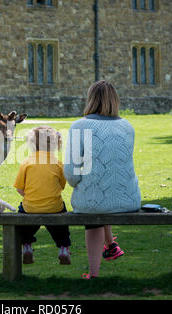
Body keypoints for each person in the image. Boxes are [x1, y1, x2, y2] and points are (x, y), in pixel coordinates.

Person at [64, 80, 141, 279]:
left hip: (94, 202)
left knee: (93, 202)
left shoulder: (79, 126)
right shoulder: (127, 126)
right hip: (129, 200)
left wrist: (80, 183)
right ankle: (111, 245)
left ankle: (94, 274)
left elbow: (71, 173)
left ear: (90, 99)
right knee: (100, 193)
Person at [14, 126, 71, 265]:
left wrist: (32, 197)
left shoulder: (26, 163)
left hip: (31, 207)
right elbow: (62, 186)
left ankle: (26, 246)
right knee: (61, 228)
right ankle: (63, 248)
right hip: (54, 207)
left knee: (24, 224)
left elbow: (19, 188)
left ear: (32, 144)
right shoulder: (58, 164)